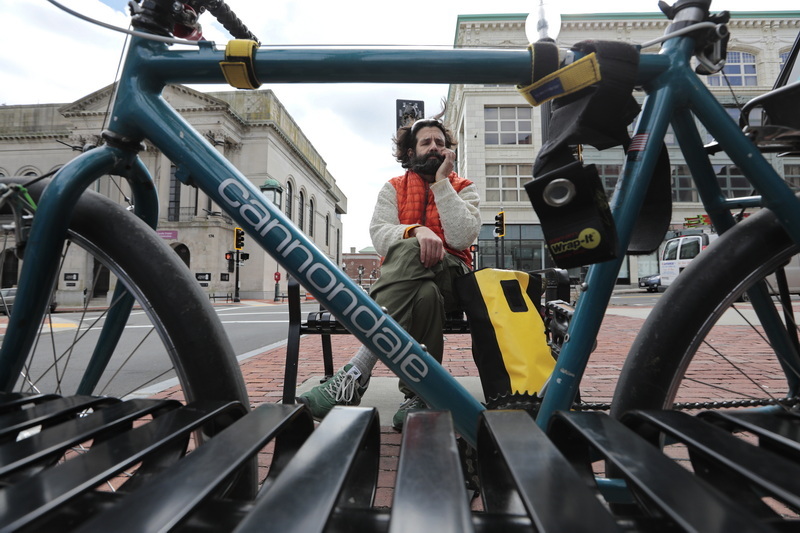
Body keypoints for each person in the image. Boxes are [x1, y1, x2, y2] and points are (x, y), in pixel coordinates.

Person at [297, 115, 481, 430]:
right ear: (410, 153)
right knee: (424, 296)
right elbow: (380, 235)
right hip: (413, 285)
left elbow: (463, 237)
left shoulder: (463, 187)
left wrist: (441, 185)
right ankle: (421, 394)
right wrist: (417, 230)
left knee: (411, 253)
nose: (435, 146)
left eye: (440, 142)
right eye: (426, 142)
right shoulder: (393, 188)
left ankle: (356, 372)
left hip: (454, 278)